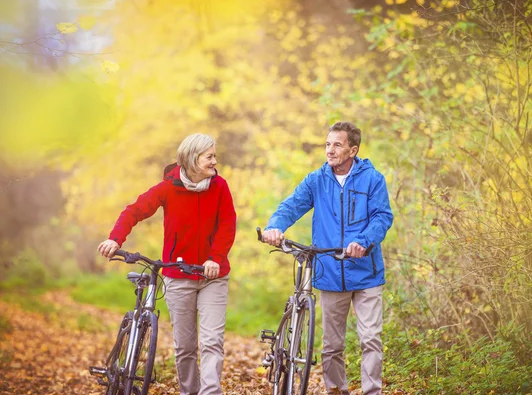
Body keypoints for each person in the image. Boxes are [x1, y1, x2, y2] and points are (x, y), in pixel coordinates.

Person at [97, 133, 236, 395]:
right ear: (193, 158)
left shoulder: (220, 187)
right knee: (185, 347)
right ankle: (188, 392)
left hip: (213, 276)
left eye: (214, 156)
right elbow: (134, 210)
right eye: (210, 157)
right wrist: (115, 239)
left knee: (211, 342)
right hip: (177, 275)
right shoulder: (168, 187)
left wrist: (215, 258)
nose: (215, 162)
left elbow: (228, 224)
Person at [262, 121, 393, 395]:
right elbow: (292, 205)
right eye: (327, 144)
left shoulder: (373, 179)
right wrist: (276, 226)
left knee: (370, 339)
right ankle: (336, 391)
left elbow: (383, 217)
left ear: (353, 150)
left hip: (366, 272)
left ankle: (372, 392)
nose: (330, 150)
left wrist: (364, 241)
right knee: (332, 345)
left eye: (337, 145)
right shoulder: (316, 180)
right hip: (331, 273)